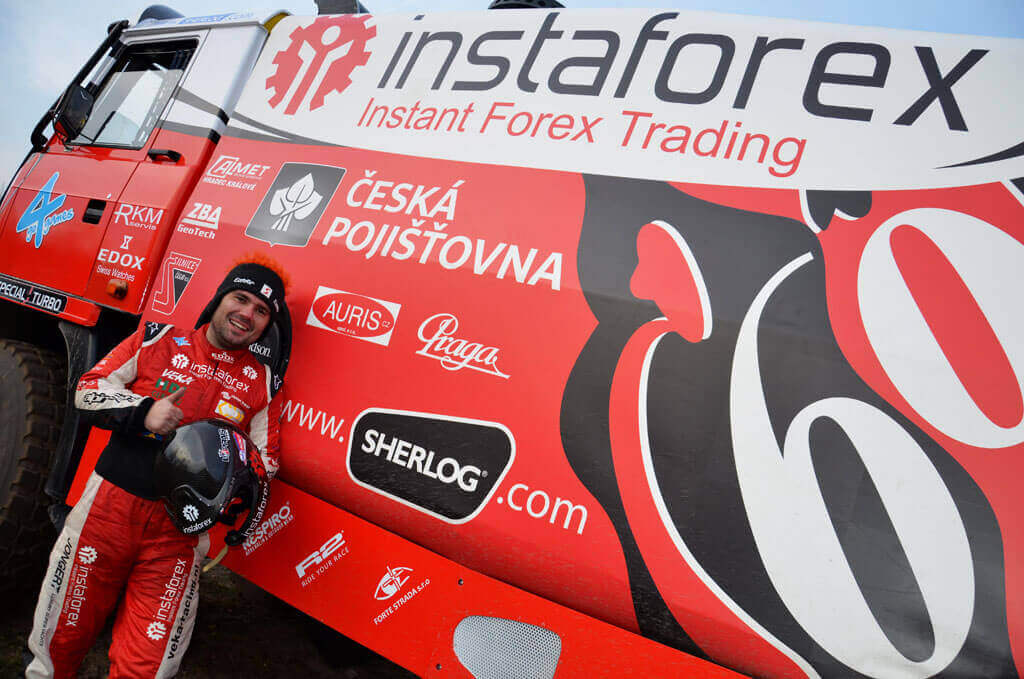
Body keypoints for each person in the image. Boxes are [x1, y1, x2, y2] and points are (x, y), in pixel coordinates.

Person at [25, 259, 290, 679]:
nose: (247, 314)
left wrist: (228, 463)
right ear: (219, 298)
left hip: (179, 537)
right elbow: (89, 388)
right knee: (58, 645)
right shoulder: (158, 338)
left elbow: (267, 462)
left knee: (148, 669)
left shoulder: (263, 382)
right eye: (240, 299)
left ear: (266, 326)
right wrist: (142, 411)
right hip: (107, 514)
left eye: (261, 311)